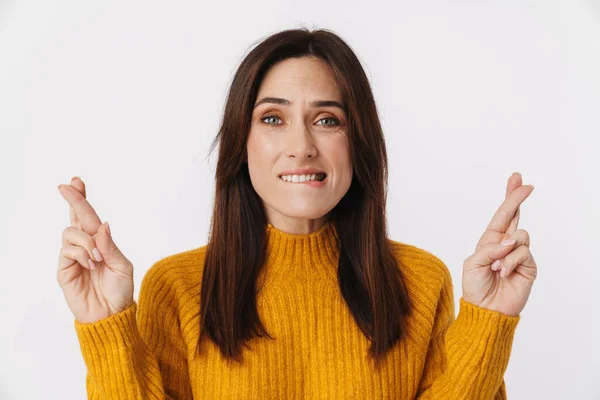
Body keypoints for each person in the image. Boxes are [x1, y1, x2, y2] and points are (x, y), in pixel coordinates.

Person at [57, 28, 537, 399]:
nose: (301, 147)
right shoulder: (178, 288)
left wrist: (487, 319)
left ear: (358, 143)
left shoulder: (420, 281)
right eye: (273, 119)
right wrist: (107, 326)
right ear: (240, 145)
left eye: (327, 120)